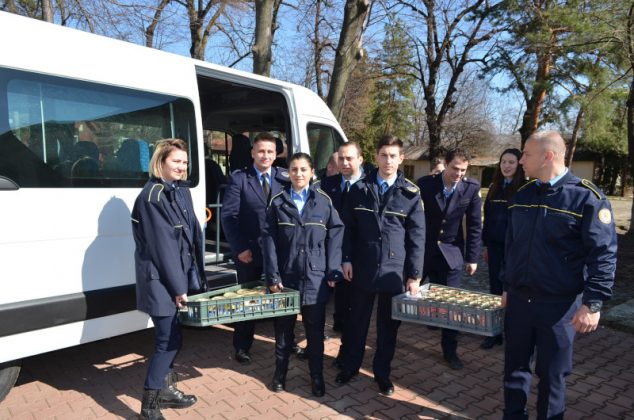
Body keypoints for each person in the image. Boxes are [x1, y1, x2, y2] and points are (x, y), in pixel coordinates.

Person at [502, 131, 617, 420]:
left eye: (526, 154)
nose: (521, 160)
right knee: (514, 370)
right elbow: (511, 246)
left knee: (553, 376)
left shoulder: (586, 198)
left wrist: (593, 303)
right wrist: (506, 285)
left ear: (548, 156)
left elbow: (603, 254)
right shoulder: (522, 195)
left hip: (559, 307)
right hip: (519, 300)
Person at [335, 134, 425, 396]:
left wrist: (414, 275)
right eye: (383, 155)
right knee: (356, 321)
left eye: (393, 156)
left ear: (401, 158)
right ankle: (350, 366)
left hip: (393, 271)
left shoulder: (410, 193)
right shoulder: (359, 189)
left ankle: (382, 374)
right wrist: (346, 259)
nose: (388, 160)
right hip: (362, 266)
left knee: (388, 327)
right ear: (376, 157)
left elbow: (417, 237)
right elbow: (347, 229)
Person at [131, 139, 204, 420]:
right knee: (167, 340)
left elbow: (191, 235)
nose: (182, 167)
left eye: (185, 162)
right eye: (176, 161)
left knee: (174, 336)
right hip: (160, 280)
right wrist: (179, 288)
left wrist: (194, 276)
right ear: (160, 162)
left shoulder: (180, 191)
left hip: (176, 276)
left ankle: (167, 390)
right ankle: (149, 404)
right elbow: (164, 248)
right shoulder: (152, 197)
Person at [262, 153, 344, 397]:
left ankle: (317, 377)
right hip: (286, 279)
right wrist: (273, 276)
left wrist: (333, 268)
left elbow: (336, 234)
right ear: (288, 172)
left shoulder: (323, 202)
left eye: (303, 169)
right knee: (283, 331)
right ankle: (280, 374)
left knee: (314, 333)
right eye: (294, 169)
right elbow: (268, 241)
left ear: (312, 172)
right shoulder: (277, 202)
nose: (299, 174)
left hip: (315, 279)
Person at [221, 132, 301, 365]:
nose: (265, 155)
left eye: (270, 151)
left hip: (280, 252)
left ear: (276, 154)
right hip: (250, 252)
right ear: (253, 153)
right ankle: (242, 346)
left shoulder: (285, 177)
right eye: (261, 151)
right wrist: (240, 248)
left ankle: (287, 341)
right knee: (248, 300)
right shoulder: (239, 179)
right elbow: (229, 217)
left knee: (282, 298)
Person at [417, 148, 482, 370]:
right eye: (455, 168)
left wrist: (472, 258)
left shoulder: (471, 188)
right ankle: (388, 341)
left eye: (463, 170)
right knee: (403, 294)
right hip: (424, 251)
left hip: (451, 253)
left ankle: (450, 350)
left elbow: (475, 225)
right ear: (445, 164)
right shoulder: (426, 185)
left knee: (451, 304)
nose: (459, 174)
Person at [480, 148, 524, 350]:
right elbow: (488, 218)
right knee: (495, 290)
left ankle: (514, 332)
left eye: (511, 162)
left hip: (515, 249)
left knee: (513, 290)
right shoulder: (494, 187)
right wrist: (486, 245)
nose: (506, 166)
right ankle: (495, 333)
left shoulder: (524, 189)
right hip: (495, 247)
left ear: (519, 165)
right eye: (503, 162)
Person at [319, 142, 365, 335]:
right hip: (330, 248)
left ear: (360, 160)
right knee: (327, 295)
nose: (344, 163)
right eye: (341, 158)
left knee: (354, 300)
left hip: (359, 250)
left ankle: (349, 333)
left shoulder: (370, 185)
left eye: (349, 158)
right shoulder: (326, 185)